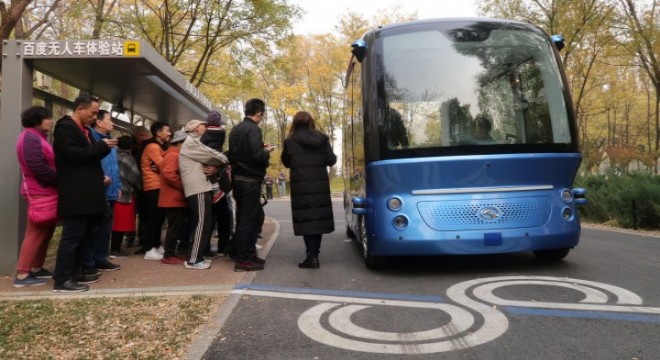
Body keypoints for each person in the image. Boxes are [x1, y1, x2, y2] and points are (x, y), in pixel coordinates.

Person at [52, 94, 115, 292]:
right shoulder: (65, 129)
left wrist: (99, 172)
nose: (94, 117)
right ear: (80, 109)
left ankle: (76, 271)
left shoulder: (84, 130)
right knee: (72, 236)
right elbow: (73, 156)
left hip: (86, 193)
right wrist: (101, 147)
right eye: (93, 113)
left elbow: (86, 159)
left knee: (83, 235)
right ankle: (62, 279)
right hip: (75, 194)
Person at [281, 111, 337, 269]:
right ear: (310, 122)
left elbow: (286, 162)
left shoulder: (290, 142)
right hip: (319, 186)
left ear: (295, 124)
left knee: (307, 220)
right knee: (317, 220)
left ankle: (311, 257)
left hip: (301, 186)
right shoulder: (322, 139)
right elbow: (331, 159)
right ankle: (315, 255)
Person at [227, 98, 275, 272]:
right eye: (262, 115)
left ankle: (244, 253)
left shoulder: (236, 129)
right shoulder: (253, 130)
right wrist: (266, 152)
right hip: (250, 180)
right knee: (249, 220)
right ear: (259, 113)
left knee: (243, 219)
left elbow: (234, 153)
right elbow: (257, 157)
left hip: (238, 179)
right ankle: (243, 259)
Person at [13, 106, 58, 287]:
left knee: (47, 230)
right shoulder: (30, 138)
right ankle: (23, 274)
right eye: (47, 118)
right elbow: (38, 167)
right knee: (35, 231)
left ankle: (37, 267)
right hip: (39, 191)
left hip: (46, 190)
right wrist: (61, 180)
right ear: (36, 120)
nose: (50, 121)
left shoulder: (37, 137)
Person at [179, 119, 229, 269]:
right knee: (202, 223)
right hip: (197, 187)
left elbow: (211, 155)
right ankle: (194, 259)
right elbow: (214, 155)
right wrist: (223, 160)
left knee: (205, 223)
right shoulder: (190, 143)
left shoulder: (195, 142)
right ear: (194, 128)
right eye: (203, 125)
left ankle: (197, 256)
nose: (206, 127)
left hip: (200, 186)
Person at [86, 110, 121, 272]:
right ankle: (89, 261)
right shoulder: (90, 139)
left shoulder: (110, 142)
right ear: (99, 122)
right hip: (96, 190)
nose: (112, 123)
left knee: (106, 229)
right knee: (93, 228)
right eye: (109, 119)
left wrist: (118, 186)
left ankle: (101, 258)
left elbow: (115, 167)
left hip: (111, 191)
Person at [200, 110, 232, 257]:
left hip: (205, 180)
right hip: (219, 182)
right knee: (224, 215)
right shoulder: (222, 133)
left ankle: (205, 247)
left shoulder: (202, 136)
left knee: (208, 218)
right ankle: (223, 246)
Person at [138, 121, 171, 260]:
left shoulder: (160, 147)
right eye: (167, 130)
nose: (169, 133)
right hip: (153, 186)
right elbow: (164, 165)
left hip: (159, 185)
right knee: (154, 218)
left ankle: (156, 246)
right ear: (158, 133)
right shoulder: (153, 147)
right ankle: (149, 248)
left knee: (159, 218)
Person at [158, 129, 189, 265]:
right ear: (180, 143)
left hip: (172, 198)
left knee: (175, 227)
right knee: (174, 227)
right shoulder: (173, 155)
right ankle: (168, 255)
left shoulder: (171, 154)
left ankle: (170, 253)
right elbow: (169, 174)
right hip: (173, 198)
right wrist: (183, 185)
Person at [110, 135, 142, 258]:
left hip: (113, 192)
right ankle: (115, 250)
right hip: (125, 194)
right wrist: (141, 188)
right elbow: (135, 176)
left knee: (114, 222)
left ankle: (114, 248)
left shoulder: (113, 155)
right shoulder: (128, 158)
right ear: (131, 146)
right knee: (121, 223)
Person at [200, 110, 226, 203]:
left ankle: (216, 190)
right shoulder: (222, 132)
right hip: (218, 153)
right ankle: (217, 190)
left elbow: (202, 143)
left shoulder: (206, 133)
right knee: (212, 171)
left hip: (208, 154)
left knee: (208, 171)